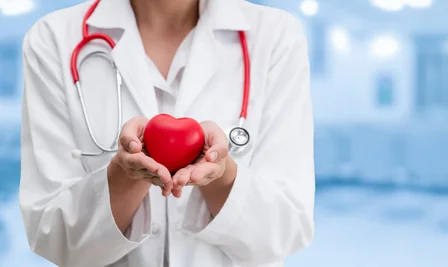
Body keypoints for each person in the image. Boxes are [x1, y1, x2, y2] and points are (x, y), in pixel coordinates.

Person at [18, 0, 315, 266]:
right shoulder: (54, 39)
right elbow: (53, 238)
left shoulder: (275, 36)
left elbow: (286, 232)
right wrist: (126, 175)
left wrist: (221, 176)